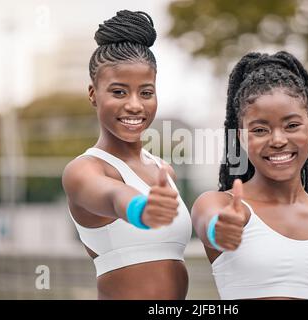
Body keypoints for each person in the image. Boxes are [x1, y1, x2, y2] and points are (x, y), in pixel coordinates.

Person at [191, 51, 308, 300]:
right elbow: (209, 223)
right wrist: (220, 229)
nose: (278, 140)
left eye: (292, 126)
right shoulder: (219, 205)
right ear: (241, 137)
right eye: (260, 129)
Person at [62, 10, 192, 300]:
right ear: (93, 94)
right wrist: (142, 210)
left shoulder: (163, 171)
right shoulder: (84, 170)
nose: (135, 105)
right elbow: (113, 197)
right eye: (119, 92)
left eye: (146, 93)